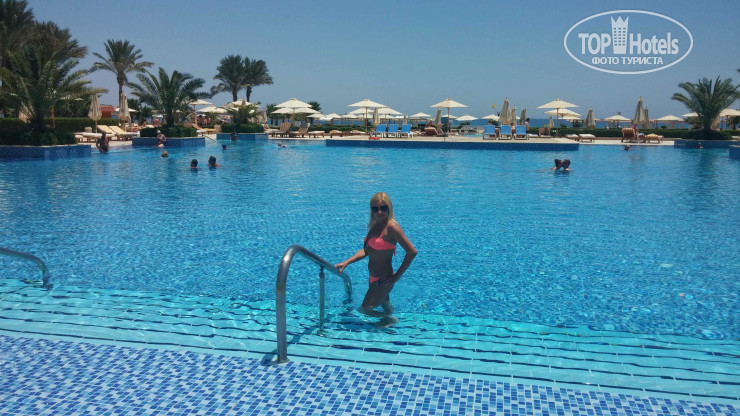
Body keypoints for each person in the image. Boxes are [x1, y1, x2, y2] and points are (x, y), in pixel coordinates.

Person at [335, 192, 417, 326]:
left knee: (365, 310)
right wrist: (347, 262)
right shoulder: (375, 224)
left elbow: (412, 252)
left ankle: (391, 320)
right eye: (375, 209)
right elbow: (367, 250)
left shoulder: (391, 227)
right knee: (385, 303)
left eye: (383, 208)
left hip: (383, 280)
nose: (379, 212)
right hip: (372, 277)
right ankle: (389, 322)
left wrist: (395, 278)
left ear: (389, 208)